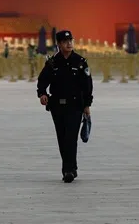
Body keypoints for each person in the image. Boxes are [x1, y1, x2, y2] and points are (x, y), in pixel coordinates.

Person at [36, 29, 93, 183]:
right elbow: (42, 81)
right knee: (62, 138)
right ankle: (68, 168)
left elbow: (87, 86)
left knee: (70, 138)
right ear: (59, 44)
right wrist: (42, 94)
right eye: (65, 41)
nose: (69, 44)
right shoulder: (53, 63)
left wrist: (87, 105)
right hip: (57, 107)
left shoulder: (80, 62)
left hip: (75, 106)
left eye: (71, 41)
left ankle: (69, 169)